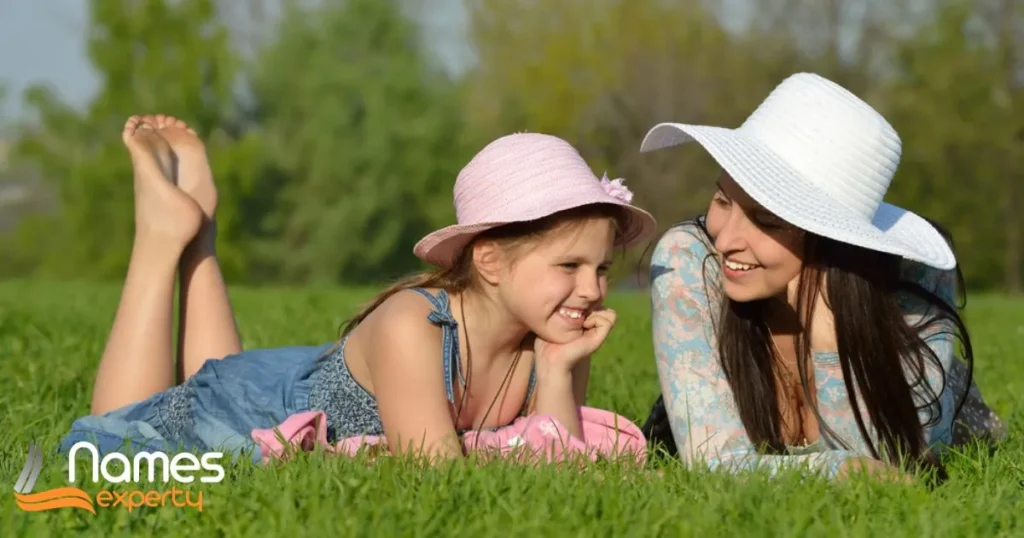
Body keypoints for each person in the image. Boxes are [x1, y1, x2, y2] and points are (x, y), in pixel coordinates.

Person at [59, 115, 658, 463]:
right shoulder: (413, 325)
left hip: (279, 377)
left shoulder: (549, 342)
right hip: (251, 410)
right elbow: (436, 475)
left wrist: (557, 373)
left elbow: (560, 462)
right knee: (112, 436)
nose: (591, 289)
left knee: (224, 367)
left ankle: (200, 230)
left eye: (602, 269)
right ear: (491, 261)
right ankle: (161, 237)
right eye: (570, 266)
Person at [636, 73, 1005, 481]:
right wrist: (838, 468)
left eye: (766, 221)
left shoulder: (917, 282)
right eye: (722, 199)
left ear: (832, 240)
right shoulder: (689, 259)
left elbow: (893, 469)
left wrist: (829, 341)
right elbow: (712, 463)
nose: (725, 239)